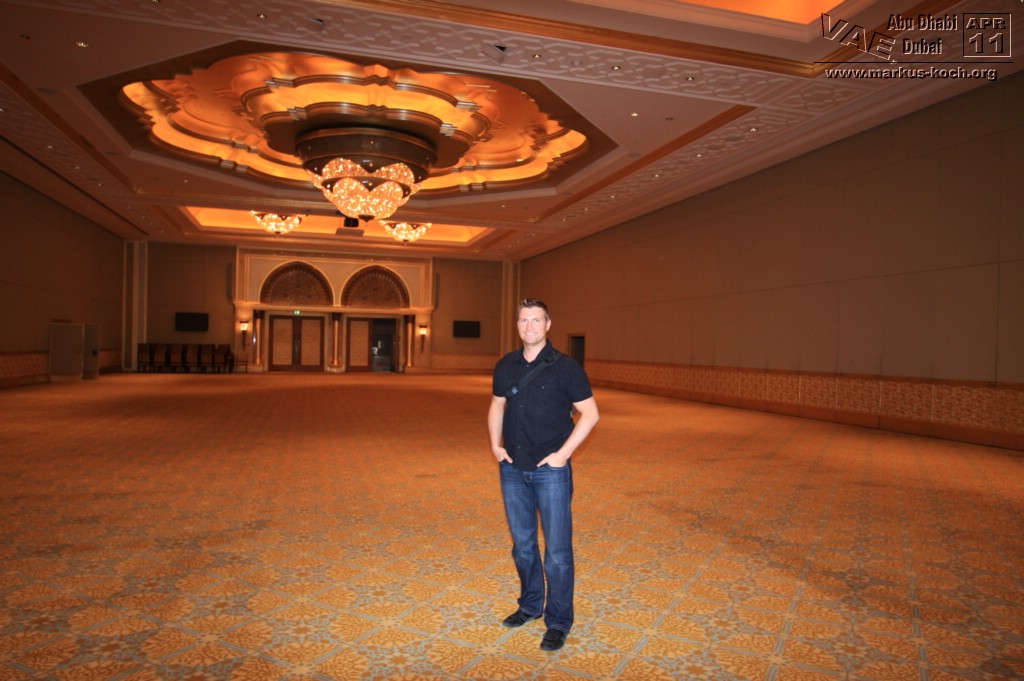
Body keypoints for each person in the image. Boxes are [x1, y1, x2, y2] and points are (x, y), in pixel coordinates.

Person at [488, 298, 600, 652]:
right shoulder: (506, 365)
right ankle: (530, 605)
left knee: (557, 553)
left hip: (551, 471)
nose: (529, 326)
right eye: (524, 320)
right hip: (513, 468)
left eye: (536, 320)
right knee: (523, 547)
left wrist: (562, 456)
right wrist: (495, 445)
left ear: (548, 325)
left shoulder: (566, 368)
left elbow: (590, 414)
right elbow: (497, 404)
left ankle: (559, 621)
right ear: (517, 325)